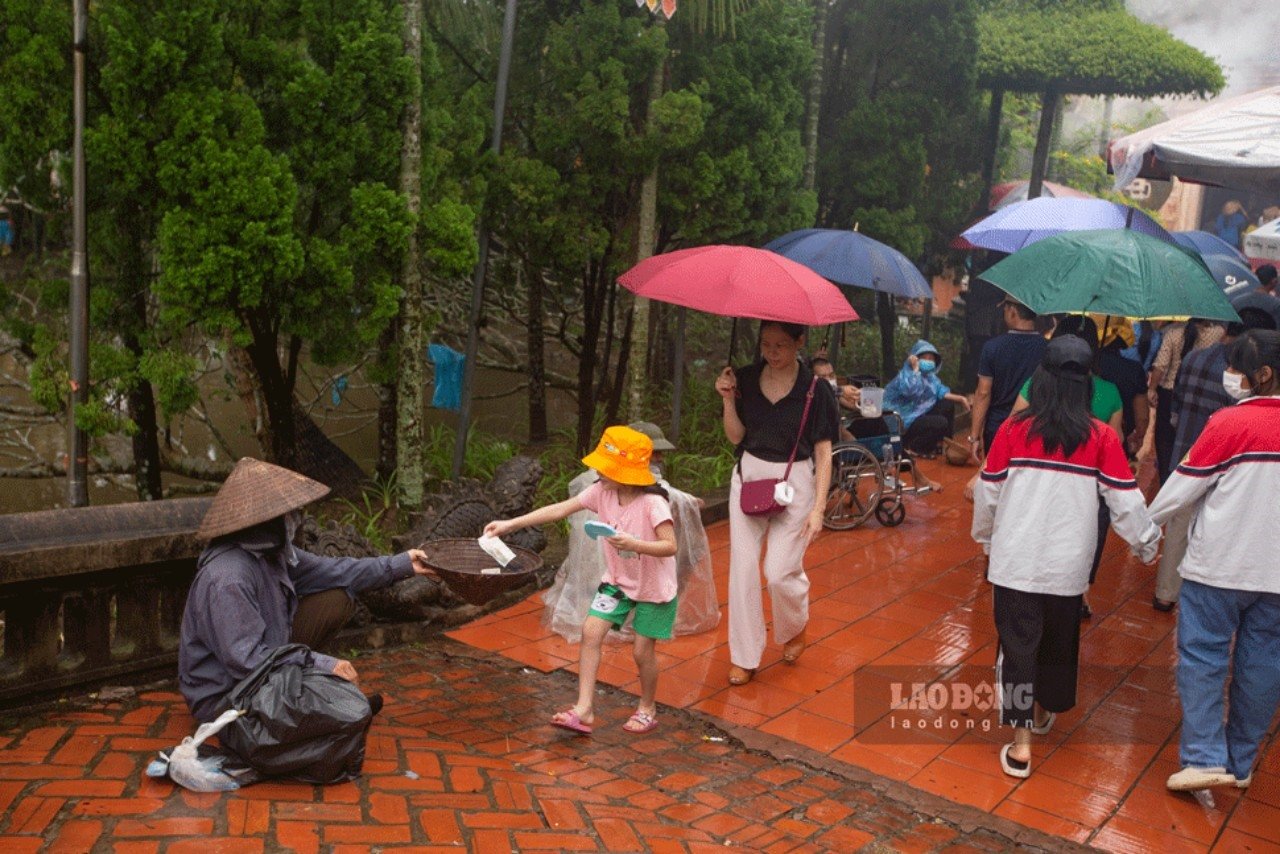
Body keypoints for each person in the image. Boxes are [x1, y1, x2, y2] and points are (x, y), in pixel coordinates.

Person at [973, 336, 1160, 779]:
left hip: (1015, 559)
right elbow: (1126, 502)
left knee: (1017, 645)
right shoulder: (1100, 438)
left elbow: (988, 494)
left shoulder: (1013, 431)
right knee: (1057, 644)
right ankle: (1039, 715)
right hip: (1068, 565)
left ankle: (1020, 746)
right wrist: (1148, 543)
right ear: (1087, 384)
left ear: (1042, 380)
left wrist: (984, 538)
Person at [179, 458, 436, 724]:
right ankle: (318, 703)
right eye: (290, 514)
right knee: (323, 717)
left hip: (268, 657)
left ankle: (315, 695)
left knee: (336, 599)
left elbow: (338, 570)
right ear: (268, 521)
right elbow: (247, 661)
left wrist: (403, 564)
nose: (296, 520)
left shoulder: (272, 553)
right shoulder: (228, 578)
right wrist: (323, 664)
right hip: (226, 696)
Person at [1147, 330, 1280, 792]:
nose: (1231, 377)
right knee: (1264, 661)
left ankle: (1204, 756)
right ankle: (1240, 763)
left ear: (1262, 375)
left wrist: (1145, 531)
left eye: (1238, 368)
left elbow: (1181, 488)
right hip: (1277, 577)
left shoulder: (1228, 423)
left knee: (1203, 656)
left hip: (1219, 565)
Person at [485, 426, 678, 735]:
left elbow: (670, 546)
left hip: (653, 588)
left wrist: (635, 545)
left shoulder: (653, 503)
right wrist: (510, 524)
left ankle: (647, 707)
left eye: (605, 467)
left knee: (642, 653)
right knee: (590, 632)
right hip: (617, 581)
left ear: (626, 472)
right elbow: (560, 509)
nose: (597, 471)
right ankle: (584, 709)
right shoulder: (602, 490)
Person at [715, 321, 840, 686]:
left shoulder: (816, 390)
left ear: (800, 342)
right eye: (766, 344)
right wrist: (727, 398)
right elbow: (736, 436)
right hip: (750, 477)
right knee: (742, 569)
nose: (772, 352)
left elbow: (824, 451)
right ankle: (745, 656)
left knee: (780, 571)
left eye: (782, 345)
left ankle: (795, 625)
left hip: (795, 481)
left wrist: (819, 508)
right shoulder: (746, 378)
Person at [541, 421, 718, 642]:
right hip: (612, 548)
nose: (660, 459)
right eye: (656, 454)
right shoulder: (608, 479)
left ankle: (636, 619)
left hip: (630, 550)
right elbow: (664, 492)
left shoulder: (633, 484)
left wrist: (687, 501)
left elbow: (662, 493)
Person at [1153, 321, 1245, 611]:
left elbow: (1176, 405)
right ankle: (1197, 591)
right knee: (1208, 525)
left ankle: (1165, 593)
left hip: (1185, 453)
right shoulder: (1236, 375)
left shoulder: (1193, 357)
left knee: (1178, 523)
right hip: (1217, 460)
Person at [881, 340, 970, 492]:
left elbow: (941, 391)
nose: (929, 362)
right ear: (915, 358)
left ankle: (944, 445)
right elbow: (910, 390)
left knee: (947, 405)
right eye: (925, 358)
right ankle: (916, 447)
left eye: (931, 358)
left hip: (916, 414)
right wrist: (915, 369)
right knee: (940, 422)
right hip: (900, 420)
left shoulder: (930, 377)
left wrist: (962, 399)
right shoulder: (906, 375)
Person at [967, 297, 1047, 458]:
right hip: (1034, 429)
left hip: (997, 428)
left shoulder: (992, 347)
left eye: (1005, 308)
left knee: (996, 479)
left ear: (1012, 311)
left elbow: (983, 393)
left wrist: (974, 436)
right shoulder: (1048, 349)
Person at [1149, 319, 1226, 483]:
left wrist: (1152, 389)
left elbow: (1161, 365)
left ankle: (1165, 482)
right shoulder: (1217, 333)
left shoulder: (1173, 333)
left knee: (1165, 445)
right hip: (1194, 391)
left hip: (1168, 394)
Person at [1095, 320, 1150, 457]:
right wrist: (1139, 437)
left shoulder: (1085, 367)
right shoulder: (1134, 369)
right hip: (1119, 442)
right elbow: (1142, 417)